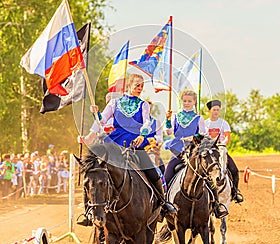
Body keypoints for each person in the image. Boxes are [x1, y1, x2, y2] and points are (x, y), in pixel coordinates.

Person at [78, 73, 177, 226]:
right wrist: (96, 115)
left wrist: (143, 135)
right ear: (129, 85)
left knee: (152, 171)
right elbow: (102, 120)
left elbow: (146, 123)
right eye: (137, 85)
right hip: (114, 143)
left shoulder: (143, 104)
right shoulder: (114, 103)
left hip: (134, 144)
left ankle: (162, 203)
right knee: (94, 172)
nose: (140, 88)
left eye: (142, 86)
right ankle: (88, 212)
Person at [164, 90, 228, 219]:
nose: (187, 103)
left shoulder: (198, 118)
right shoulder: (175, 116)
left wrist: (192, 137)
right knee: (167, 174)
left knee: (208, 176)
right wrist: (167, 119)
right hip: (178, 150)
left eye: (190, 101)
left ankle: (216, 205)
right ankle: (163, 205)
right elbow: (169, 132)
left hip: (194, 151)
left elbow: (203, 133)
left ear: (194, 102)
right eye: (185, 101)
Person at [205, 99, 243, 203]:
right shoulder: (205, 124)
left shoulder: (223, 123)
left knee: (234, 170)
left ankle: (234, 192)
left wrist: (222, 143)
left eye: (218, 110)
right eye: (214, 110)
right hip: (209, 151)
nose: (216, 112)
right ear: (209, 111)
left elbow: (227, 137)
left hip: (221, 149)